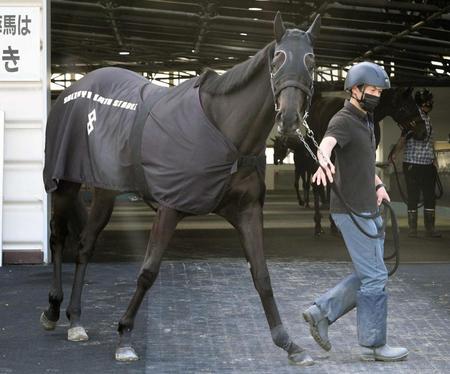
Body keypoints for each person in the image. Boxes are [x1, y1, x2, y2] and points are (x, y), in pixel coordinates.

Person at [302, 61, 408, 361]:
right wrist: (322, 161)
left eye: (378, 90)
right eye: (372, 89)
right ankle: (373, 345)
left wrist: (378, 185)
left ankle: (320, 312)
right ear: (355, 89)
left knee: (370, 274)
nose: (376, 94)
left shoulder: (366, 121)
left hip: (369, 205)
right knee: (375, 277)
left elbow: (362, 163)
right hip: (350, 211)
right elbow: (327, 144)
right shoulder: (344, 119)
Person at [391, 89, 441, 238]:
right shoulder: (415, 118)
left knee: (429, 196)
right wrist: (395, 153)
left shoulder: (427, 119)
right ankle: (414, 229)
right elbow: (403, 138)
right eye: (426, 102)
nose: (428, 105)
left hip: (427, 164)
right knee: (415, 195)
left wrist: (434, 159)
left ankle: (428, 228)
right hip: (413, 163)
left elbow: (430, 143)